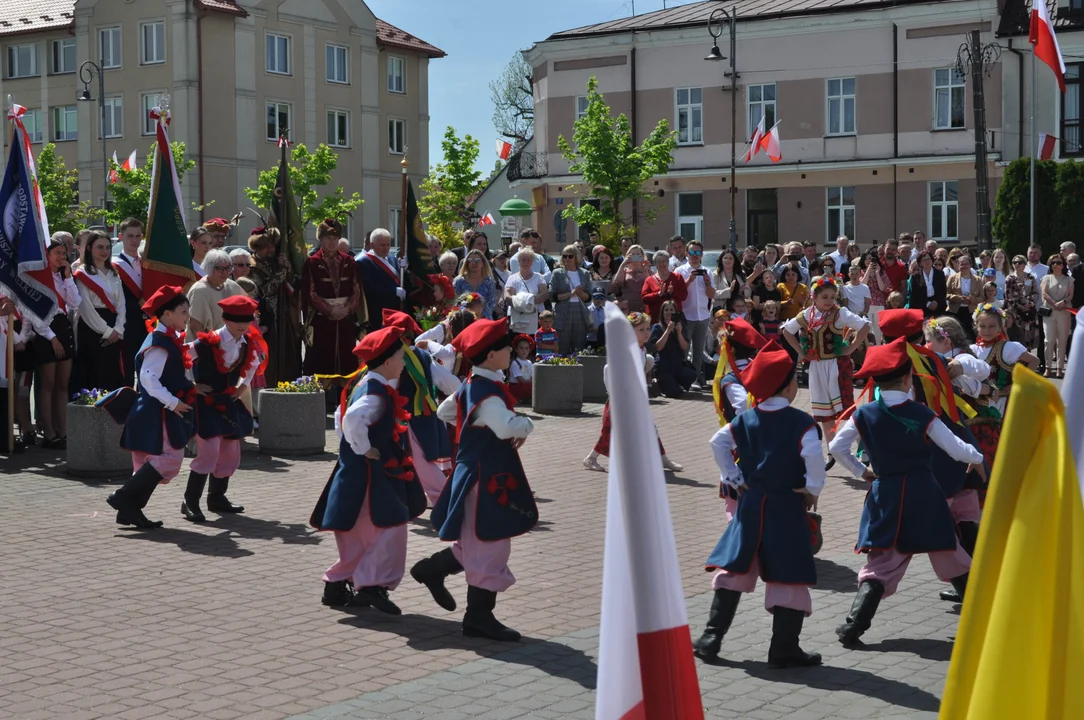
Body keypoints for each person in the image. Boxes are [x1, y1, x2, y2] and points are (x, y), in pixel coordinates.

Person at [829, 338, 981, 647]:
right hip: (925, 494)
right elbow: (956, 449)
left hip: (886, 494)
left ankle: (853, 626)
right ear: (908, 377)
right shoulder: (923, 413)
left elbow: (836, 447)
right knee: (951, 555)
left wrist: (862, 471)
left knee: (881, 564)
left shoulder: (864, 413)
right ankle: (983, 621)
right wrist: (977, 459)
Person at [695, 340, 825, 667]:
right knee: (788, 575)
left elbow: (717, 442)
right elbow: (813, 457)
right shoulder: (801, 423)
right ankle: (783, 647)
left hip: (751, 504)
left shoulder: (746, 419)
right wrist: (812, 489)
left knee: (736, 567)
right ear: (790, 386)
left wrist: (734, 478)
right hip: (785, 506)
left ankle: (711, 637)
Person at [411, 319, 538, 641]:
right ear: (491, 355)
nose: (511, 349)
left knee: (475, 540)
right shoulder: (487, 394)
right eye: (505, 347)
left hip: (475, 473)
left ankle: (432, 569)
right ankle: (479, 617)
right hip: (486, 477)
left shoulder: (471, 384)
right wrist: (525, 424)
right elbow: (508, 427)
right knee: (491, 543)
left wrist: (470, 424)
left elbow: (444, 411)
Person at [309, 325, 427, 613]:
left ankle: (341, 584)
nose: (404, 362)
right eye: (401, 357)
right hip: (369, 474)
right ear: (387, 362)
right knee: (389, 526)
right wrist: (363, 448)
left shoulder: (367, 383)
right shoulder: (374, 393)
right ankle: (371, 585)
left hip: (362, 473)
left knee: (362, 531)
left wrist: (351, 447)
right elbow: (351, 418)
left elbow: (340, 415)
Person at [103, 287, 197, 529]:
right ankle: (123, 498)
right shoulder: (160, 343)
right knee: (170, 459)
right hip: (157, 413)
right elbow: (148, 379)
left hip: (152, 411)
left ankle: (128, 512)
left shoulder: (166, 340)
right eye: (183, 311)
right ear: (166, 314)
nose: (187, 316)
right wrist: (174, 402)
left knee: (147, 463)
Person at [180, 296, 261, 522]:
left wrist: (242, 386)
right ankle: (190, 501)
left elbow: (254, 364)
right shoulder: (206, 341)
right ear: (225, 319)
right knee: (209, 451)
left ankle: (216, 498)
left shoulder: (247, 342)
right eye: (237, 320)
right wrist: (192, 385)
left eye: (247, 320)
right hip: (205, 404)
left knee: (230, 453)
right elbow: (181, 356)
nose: (243, 325)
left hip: (227, 402)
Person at [781, 276, 869, 462]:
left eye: (832, 297)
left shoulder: (840, 313)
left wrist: (851, 348)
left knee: (845, 409)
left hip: (837, 365)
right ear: (814, 297)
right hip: (816, 367)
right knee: (824, 412)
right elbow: (787, 331)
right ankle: (833, 451)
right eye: (825, 297)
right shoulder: (806, 315)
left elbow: (864, 326)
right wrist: (800, 351)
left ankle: (865, 447)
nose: (829, 301)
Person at [583, 313, 684, 473]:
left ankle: (663, 459)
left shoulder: (641, 349)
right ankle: (591, 458)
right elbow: (608, 370)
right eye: (641, 329)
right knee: (610, 432)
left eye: (647, 329)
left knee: (650, 427)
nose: (646, 332)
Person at [382, 310, 461, 508]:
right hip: (425, 414)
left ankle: (447, 502)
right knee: (417, 460)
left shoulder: (393, 359)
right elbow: (448, 382)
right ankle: (413, 498)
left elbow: (387, 388)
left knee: (423, 462)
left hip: (407, 418)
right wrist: (461, 394)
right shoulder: (423, 356)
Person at [711, 318, 768, 519]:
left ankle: (740, 542)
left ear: (731, 350)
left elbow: (744, 408)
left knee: (735, 505)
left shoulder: (731, 380)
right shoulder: (758, 369)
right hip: (766, 440)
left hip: (741, 444)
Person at [30, 240, 81, 449]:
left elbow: (76, 303)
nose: (62, 257)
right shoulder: (38, 278)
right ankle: (49, 432)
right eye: (57, 253)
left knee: (62, 385)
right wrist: (52, 338)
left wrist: (68, 277)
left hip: (63, 328)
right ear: (47, 254)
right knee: (48, 385)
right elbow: (34, 313)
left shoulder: (63, 276)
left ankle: (64, 431)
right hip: (46, 331)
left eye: (64, 253)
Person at [300, 218, 363, 381]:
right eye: (328, 238)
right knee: (321, 359)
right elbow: (310, 292)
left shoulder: (349, 261)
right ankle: (321, 397)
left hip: (345, 320)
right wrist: (330, 310)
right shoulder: (312, 262)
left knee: (347, 360)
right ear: (320, 239)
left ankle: (345, 395)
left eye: (335, 239)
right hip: (322, 321)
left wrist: (347, 309)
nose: (332, 242)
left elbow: (357, 290)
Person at [248, 226, 302, 386]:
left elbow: (292, 283)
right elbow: (262, 291)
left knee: (287, 355)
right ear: (258, 246)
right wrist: (282, 273)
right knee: (268, 356)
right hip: (265, 318)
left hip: (283, 315)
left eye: (273, 245)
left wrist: (287, 268)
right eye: (267, 246)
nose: (271, 249)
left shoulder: (274, 263)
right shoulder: (252, 266)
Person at [74, 230, 127, 391]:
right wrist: (106, 332)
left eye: (107, 247)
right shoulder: (82, 274)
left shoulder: (113, 273)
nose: (105, 251)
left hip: (114, 327)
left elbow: (121, 304)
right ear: (89, 248)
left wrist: (118, 329)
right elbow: (85, 308)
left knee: (112, 374)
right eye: (100, 247)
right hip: (92, 329)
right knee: (94, 373)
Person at [971, 303, 1039, 418]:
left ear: (1000, 327)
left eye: (992, 326)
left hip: (1004, 401)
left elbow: (1034, 361)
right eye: (982, 326)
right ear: (976, 326)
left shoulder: (1008, 347)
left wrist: (1019, 383)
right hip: (979, 403)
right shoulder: (972, 349)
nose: (987, 330)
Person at [674, 240, 716, 390]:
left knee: (699, 351)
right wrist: (689, 280)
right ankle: (681, 378)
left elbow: (712, 294)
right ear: (686, 253)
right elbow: (678, 294)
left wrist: (708, 283)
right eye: (692, 252)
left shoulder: (708, 271)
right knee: (683, 350)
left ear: (702, 255)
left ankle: (695, 379)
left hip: (702, 316)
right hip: (686, 316)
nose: (695, 256)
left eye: (698, 253)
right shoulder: (680, 271)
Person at [113, 218, 147, 387]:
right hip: (127, 324)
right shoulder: (114, 266)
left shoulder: (147, 263)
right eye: (130, 236)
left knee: (147, 372)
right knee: (126, 371)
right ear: (121, 237)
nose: (135, 240)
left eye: (138, 236)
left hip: (148, 324)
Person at [186, 250, 246, 341]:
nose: (225, 273)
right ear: (209, 268)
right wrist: (211, 347)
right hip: (205, 346)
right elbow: (195, 325)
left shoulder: (233, 286)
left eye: (228, 268)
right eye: (220, 269)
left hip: (230, 345)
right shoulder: (199, 290)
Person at [357, 228, 405, 330]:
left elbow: (400, 281)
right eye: (382, 245)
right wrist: (393, 291)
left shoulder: (393, 259)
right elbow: (369, 288)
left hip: (396, 311)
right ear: (372, 245)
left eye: (388, 244)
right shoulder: (364, 262)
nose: (386, 248)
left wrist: (405, 270)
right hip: (378, 314)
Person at [548, 245, 592, 354]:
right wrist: (570, 294)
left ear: (576, 257)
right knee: (562, 346)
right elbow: (551, 296)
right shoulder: (557, 273)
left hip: (580, 311)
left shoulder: (584, 273)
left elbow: (589, 297)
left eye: (570, 256)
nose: (567, 259)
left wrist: (581, 294)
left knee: (579, 347)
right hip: (563, 312)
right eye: (564, 256)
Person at [650, 300, 697, 398]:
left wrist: (679, 333)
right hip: (663, 366)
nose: (669, 312)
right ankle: (659, 385)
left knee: (691, 374)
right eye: (666, 310)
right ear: (662, 313)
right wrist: (667, 331)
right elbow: (658, 347)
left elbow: (684, 347)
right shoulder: (657, 327)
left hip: (677, 364)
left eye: (671, 310)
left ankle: (675, 383)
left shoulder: (680, 327)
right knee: (674, 393)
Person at [1039, 253, 1074, 378]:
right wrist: (1054, 303)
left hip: (1064, 311)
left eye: (1058, 263)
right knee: (1049, 340)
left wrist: (1063, 302)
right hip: (1049, 311)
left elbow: (1070, 294)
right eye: (1053, 263)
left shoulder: (1069, 279)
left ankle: (1060, 368)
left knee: (1062, 340)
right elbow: (1044, 293)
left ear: (1063, 265)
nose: (1055, 265)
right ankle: (1048, 367)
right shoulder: (1046, 278)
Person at [504, 248, 548, 335]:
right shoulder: (512, 278)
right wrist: (526, 302)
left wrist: (524, 301)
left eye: (528, 260)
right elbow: (507, 296)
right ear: (518, 261)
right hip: (517, 316)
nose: (526, 262)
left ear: (532, 262)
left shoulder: (539, 277)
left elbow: (544, 294)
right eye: (523, 260)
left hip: (536, 316)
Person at [946, 254, 982, 339]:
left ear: (970, 265)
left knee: (972, 335)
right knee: (957, 335)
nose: (964, 266)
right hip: (956, 311)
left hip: (972, 312)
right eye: (962, 264)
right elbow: (946, 294)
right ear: (958, 266)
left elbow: (982, 297)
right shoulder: (952, 278)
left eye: (966, 264)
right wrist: (959, 298)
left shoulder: (978, 279)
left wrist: (972, 300)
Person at [454, 249, 499, 320]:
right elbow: (456, 301)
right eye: (470, 260)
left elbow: (492, 302)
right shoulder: (459, 281)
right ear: (466, 263)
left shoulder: (489, 281)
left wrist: (479, 315)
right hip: (464, 319)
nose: (473, 263)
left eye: (477, 260)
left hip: (484, 319)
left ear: (483, 263)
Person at [610, 244, 650, 313]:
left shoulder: (647, 269)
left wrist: (645, 269)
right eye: (633, 254)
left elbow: (650, 284)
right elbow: (617, 283)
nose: (635, 256)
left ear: (642, 256)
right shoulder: (624, 270)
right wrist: (623, 264)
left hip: (644, 306)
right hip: (627, 307)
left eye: (638, 254)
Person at [906, 251, 947, 317]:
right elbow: (915, 295)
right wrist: (927, 303)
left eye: (928, 259)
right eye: (924, 260)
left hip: (938, 306)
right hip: (922, 307)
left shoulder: (940, 274)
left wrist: (936, 302)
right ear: (920, 263)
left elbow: (943, 291)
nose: (927, 261)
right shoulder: (915, 277)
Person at [508, 334, 535, 404]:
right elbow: (520, 380)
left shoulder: (529, 362)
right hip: (518, 386)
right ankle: (520, 398)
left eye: (526, 348)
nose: (524, 351)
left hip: (527, 385)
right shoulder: (515, 363)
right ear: (516, 349)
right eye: (521, 348)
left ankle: (529, 397)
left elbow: (533, 375)